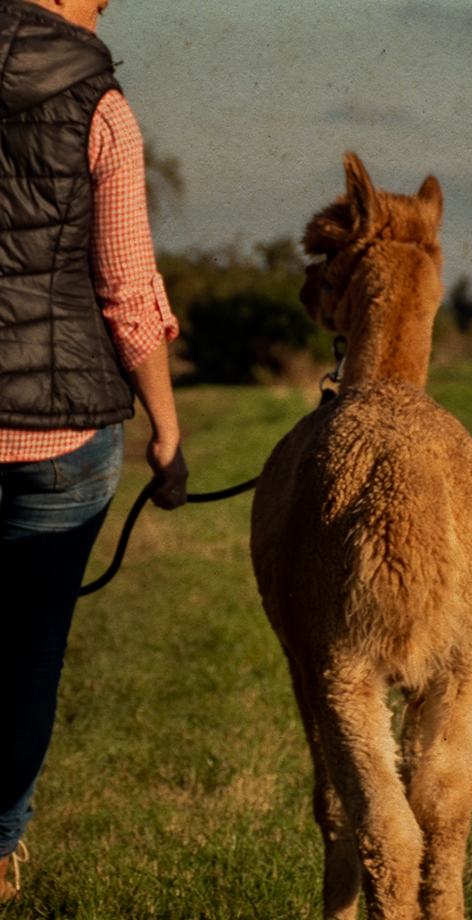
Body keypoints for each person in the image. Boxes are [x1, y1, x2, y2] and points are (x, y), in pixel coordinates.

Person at [0, 0, 188, 899]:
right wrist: (166, 425)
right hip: (60, 435)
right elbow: (126, 284)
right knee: (28, 651)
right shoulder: (102, 107)